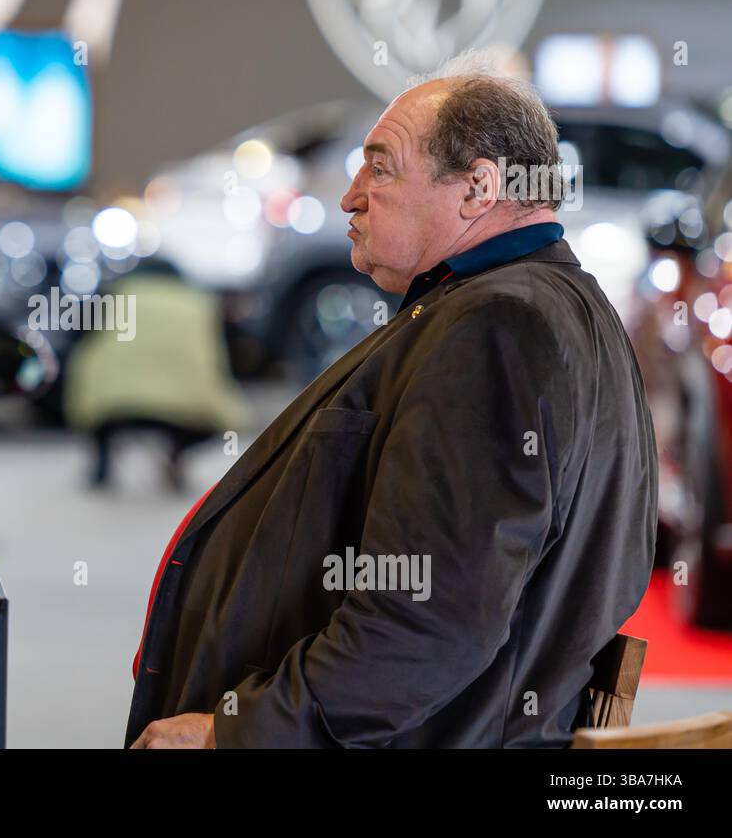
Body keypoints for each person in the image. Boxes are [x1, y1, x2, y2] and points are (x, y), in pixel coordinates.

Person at [126, 59, 658, 748]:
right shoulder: (551, 308)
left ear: (478, 188)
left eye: (379, 168)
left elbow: (429, 615)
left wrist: (240, 732)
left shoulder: (496, 325)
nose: (350, 196)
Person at [63, 259, 249, 491]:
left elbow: (77, 342)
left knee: (96, 408)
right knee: (222, 420)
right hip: (185, 406)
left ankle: (102, 462)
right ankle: (177, 455)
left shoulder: (115, 295)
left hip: (110, 404)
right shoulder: (200, 303)